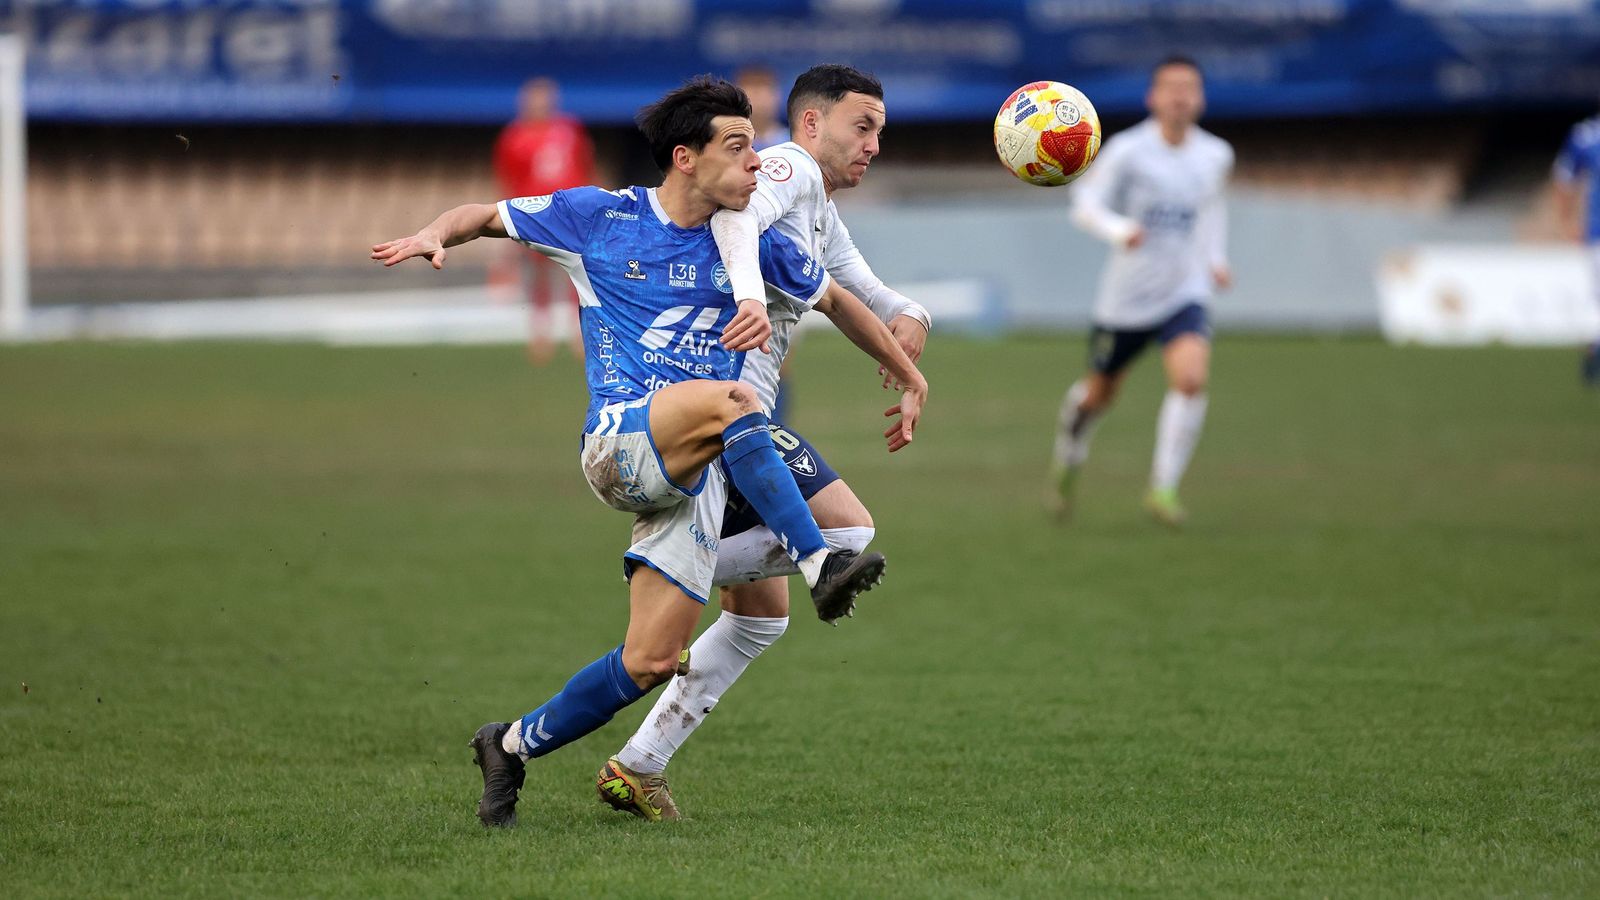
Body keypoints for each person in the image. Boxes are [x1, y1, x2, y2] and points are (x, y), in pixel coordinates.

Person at [370, 76, 929, 828]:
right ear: (685, 158)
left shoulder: (752, 243)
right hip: (622, 443)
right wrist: (436, 232)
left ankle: (509, 744)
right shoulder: (601, 216)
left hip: (698, 461)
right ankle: (818, 565)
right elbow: (485, 215)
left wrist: (909, 370)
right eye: (738, 149)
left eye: (756, 148)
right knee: (741, 403)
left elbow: (836, 301)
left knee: (652, 659)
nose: (757, 165)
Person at [595, 64, 933, 821]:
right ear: (811, 125)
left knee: (759, 617)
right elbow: (733, 218)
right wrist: (751, 296)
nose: (874, 144)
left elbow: (860, 288)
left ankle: (637, 765)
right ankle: (671, 576)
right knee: (848, 529)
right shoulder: (784, 167)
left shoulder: (818, 208)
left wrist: (913, 321)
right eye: (863, 126)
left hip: (736, 412)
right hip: (727, 411)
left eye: (880, 129)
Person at [1049, 55, 1233, 527]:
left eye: (1189, 87)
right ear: (1153, 97)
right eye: (1170, 87)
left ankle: (1163, 488)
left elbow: (1212, 213)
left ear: (1201, 97)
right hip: (1126, 300)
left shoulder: (1216, 155)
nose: (1180, 96)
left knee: (1191, 380)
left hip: (1184, 293)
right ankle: (1070, 451)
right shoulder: (1128, 151)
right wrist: (1118, 230)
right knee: (1097, 397)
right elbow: (1084, 203)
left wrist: (1215, 259)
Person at [492, 78, 596, 364]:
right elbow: (509, 178)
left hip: (569, 211)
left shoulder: (569, 129)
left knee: (577, 272)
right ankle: (541, 333)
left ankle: (580, 332)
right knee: (539, 276)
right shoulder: (513, 137)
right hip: (534, 213)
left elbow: (584, 165)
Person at [1553, 107, 1600, 386]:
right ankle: (1594, 353)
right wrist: (1567, 221)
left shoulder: (1587, 134)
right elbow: (1565, 178)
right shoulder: (1586, 134)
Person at [736, 65, 790, 151]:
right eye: (750, 85)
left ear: (777, 96)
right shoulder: (725, 142)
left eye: (763, 86)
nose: (757, 94)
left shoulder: (794, 141)